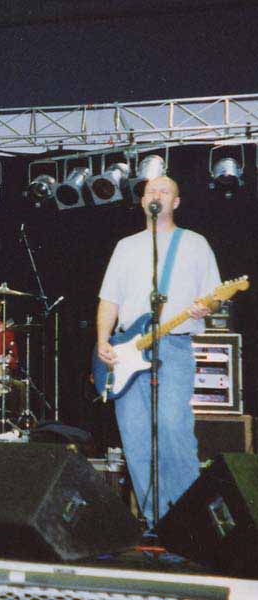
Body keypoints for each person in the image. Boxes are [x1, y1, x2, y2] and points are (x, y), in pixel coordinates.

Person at [96, 175, 220, 526]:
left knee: (172, 427)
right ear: (142, 201)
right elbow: (109, 299)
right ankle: (157, 522)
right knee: (134, 435)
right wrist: (103, 340)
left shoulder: (195, 244)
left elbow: (212, 296)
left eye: (165, 191)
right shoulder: (126, 246)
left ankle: (190, 521)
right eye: (151, 191)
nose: (157, 195)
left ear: (176, 202)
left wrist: (204, 308)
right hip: (127, 349)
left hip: (173, 346)